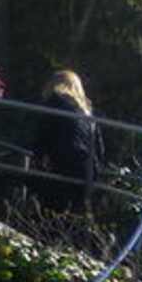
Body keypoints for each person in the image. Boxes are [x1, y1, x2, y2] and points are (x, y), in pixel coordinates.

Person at [29, 69, 102, 214]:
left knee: (50, 207)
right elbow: (99, 148)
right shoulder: (88, 113)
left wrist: (36, 156)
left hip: (63, 164)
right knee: (73, 213)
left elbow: (43, 134)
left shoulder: (55, 101)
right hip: (87, 170)